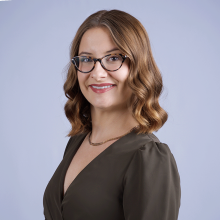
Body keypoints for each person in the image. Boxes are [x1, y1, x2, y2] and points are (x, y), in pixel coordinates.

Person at [43, 9, 181, 220]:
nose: (97, 73)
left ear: (138, 66)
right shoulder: (77, 142)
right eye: (87, 59)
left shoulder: (148, 157)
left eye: (114, 57)